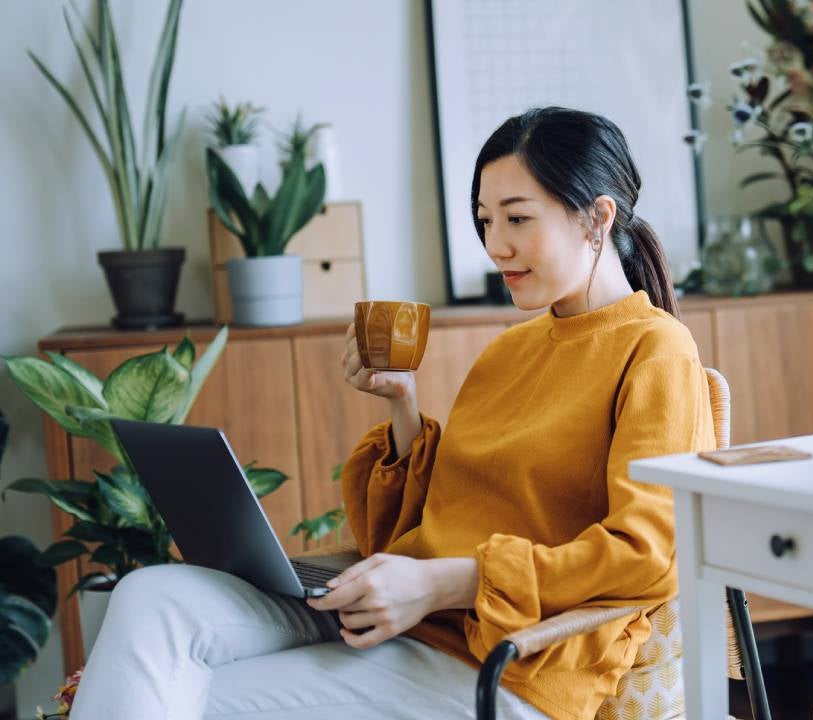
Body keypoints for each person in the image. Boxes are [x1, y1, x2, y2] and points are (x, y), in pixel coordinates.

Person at [71, 106, 715, 720]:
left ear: (596, 218)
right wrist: (401, 402)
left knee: (172, 698)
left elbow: (648, 554)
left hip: (509, 665)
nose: (496, 245)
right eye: (485, 221)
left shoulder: (654, 348)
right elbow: (436, 517)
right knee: (148, 596)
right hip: (410, 618)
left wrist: (443, 584)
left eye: (518, 219)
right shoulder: (511, 348)